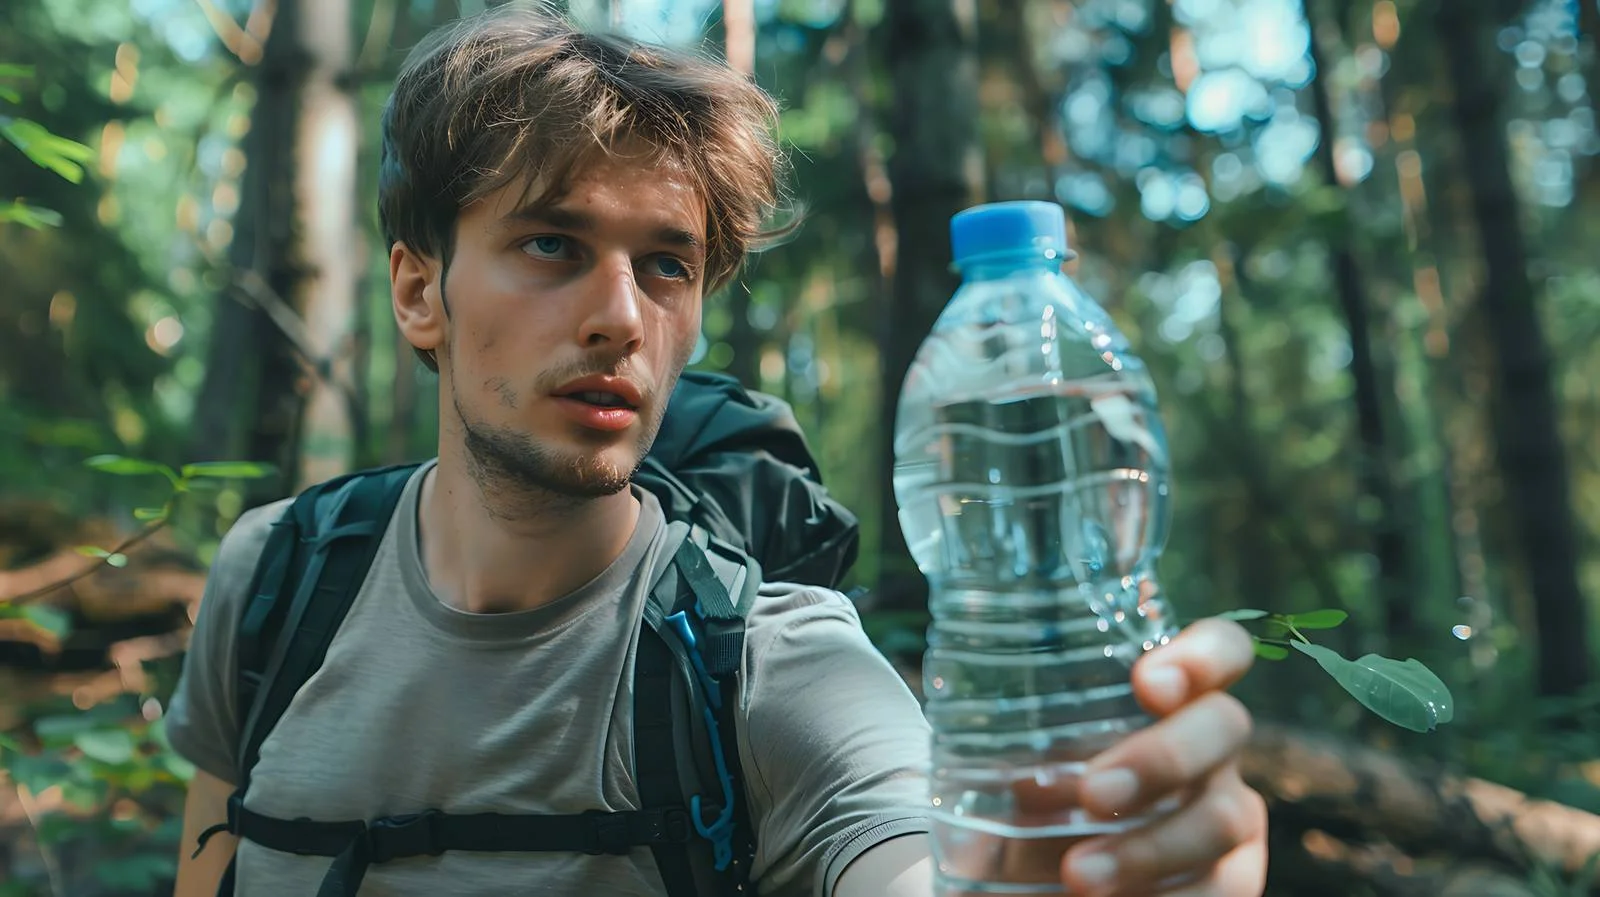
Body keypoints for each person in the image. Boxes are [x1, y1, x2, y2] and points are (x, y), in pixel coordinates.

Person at [167, 5, 1268, 896]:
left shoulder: (766, 664)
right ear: (420, 291)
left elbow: (909, 850)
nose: (620, 318)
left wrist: (1076, 867)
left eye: (665, 265)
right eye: (552, 244)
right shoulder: (277, 581)